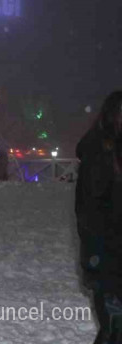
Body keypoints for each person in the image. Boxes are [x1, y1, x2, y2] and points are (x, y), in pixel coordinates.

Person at [75, 91, 122, 344]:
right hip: (109, 262)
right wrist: (97, 264)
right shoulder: (100, 154)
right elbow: (91, 214)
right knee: (115, 330)